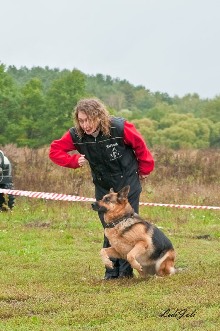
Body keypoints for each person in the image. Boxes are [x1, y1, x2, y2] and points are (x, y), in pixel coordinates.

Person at [49, 98, 154, 280]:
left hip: (126, 181)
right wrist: (73, 161)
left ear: (99, 116)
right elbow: (55, 150)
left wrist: (145, 169)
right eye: (81, 121)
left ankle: (126, 272)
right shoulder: (76, 135)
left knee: (127, 227)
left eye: (89, 120)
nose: (85, 125)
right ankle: (112, 272)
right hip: (103, 185)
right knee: (109, 226)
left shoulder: (120, 128)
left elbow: (141, 147)